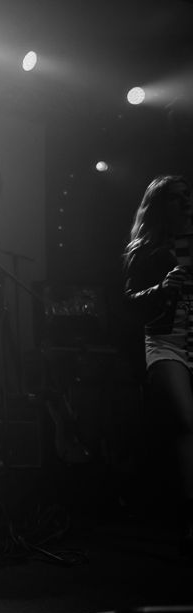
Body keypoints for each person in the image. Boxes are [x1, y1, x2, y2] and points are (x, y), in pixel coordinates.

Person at [123, 175, 193, 557]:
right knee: (185, 421)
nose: (185, 202)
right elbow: (131, 300)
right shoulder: (147, 250)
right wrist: (163, 288)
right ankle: (188, 520)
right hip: (167, 339)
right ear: (159, 206)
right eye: (175, 198)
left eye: (188, 195)